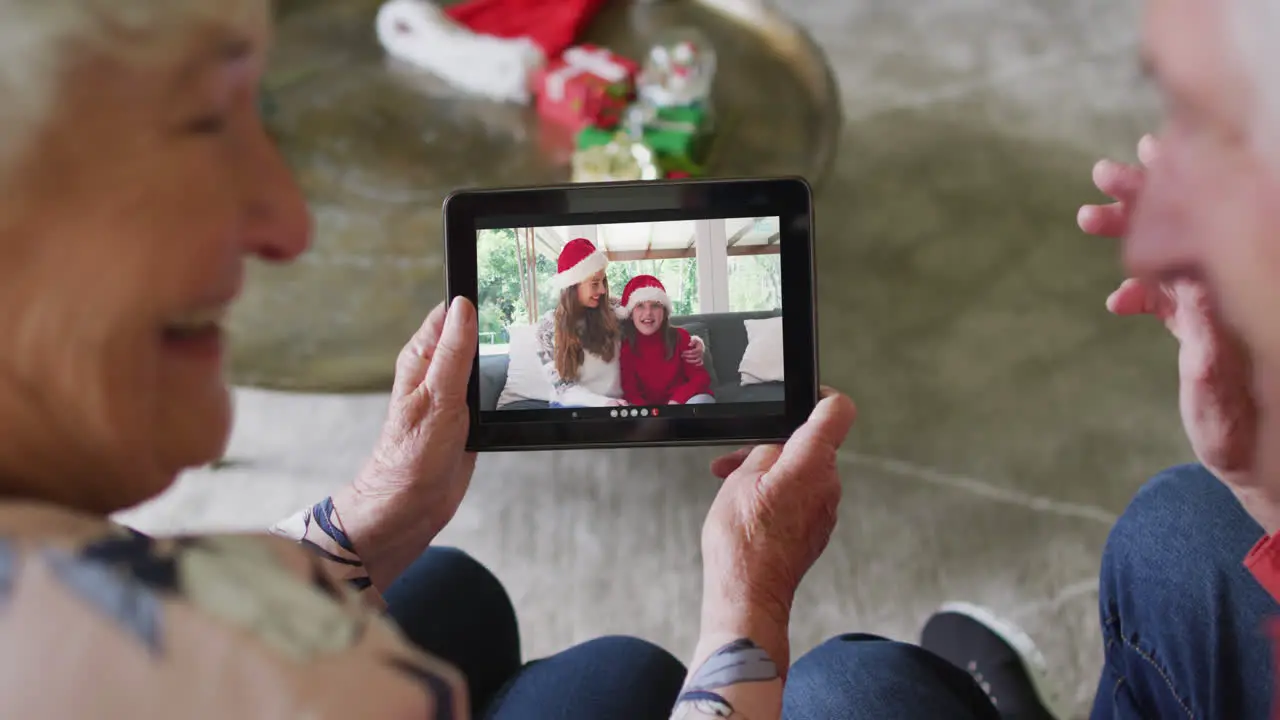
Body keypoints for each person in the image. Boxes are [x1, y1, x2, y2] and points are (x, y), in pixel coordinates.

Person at [0, 1, 869, 718]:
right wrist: (745, 609)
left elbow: (670, 379)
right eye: (201, 125)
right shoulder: (270, 682)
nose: (289, 223)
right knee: (857, 684)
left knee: (463, 592)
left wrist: (373, 514)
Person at [535, 237, 704, 408]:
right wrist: (604, 403)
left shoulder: (614, 310)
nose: (602, 290)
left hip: (618, 404)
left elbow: (653, 324)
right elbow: (562, 387)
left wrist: (694, 342)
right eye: (594, 283)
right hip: (575, 405)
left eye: (603, 282)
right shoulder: (548, 329)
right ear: (572, 285)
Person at [617, 275, 715, 407]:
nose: (648, 313)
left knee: (702, 401)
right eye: (640, 306)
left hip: (682, 404)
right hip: (647, 413)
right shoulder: (625, 346)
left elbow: (700, 378)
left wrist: (676, 401)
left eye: (655, 306)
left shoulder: (680, 337)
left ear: (664, 311)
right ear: (630, 313)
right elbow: (631, 392)